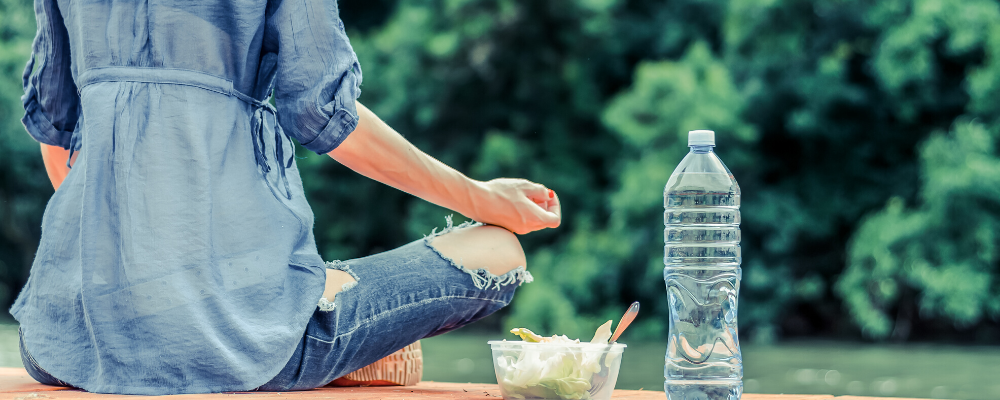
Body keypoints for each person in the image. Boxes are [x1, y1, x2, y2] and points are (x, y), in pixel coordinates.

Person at [14, 0, 561, 395]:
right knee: (500, 254)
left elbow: (55, 132)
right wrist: (485, 200)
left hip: (67, 340)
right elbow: (327, 117)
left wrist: (140, 269)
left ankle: (321, 302)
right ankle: (334, 318)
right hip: (239, 344)